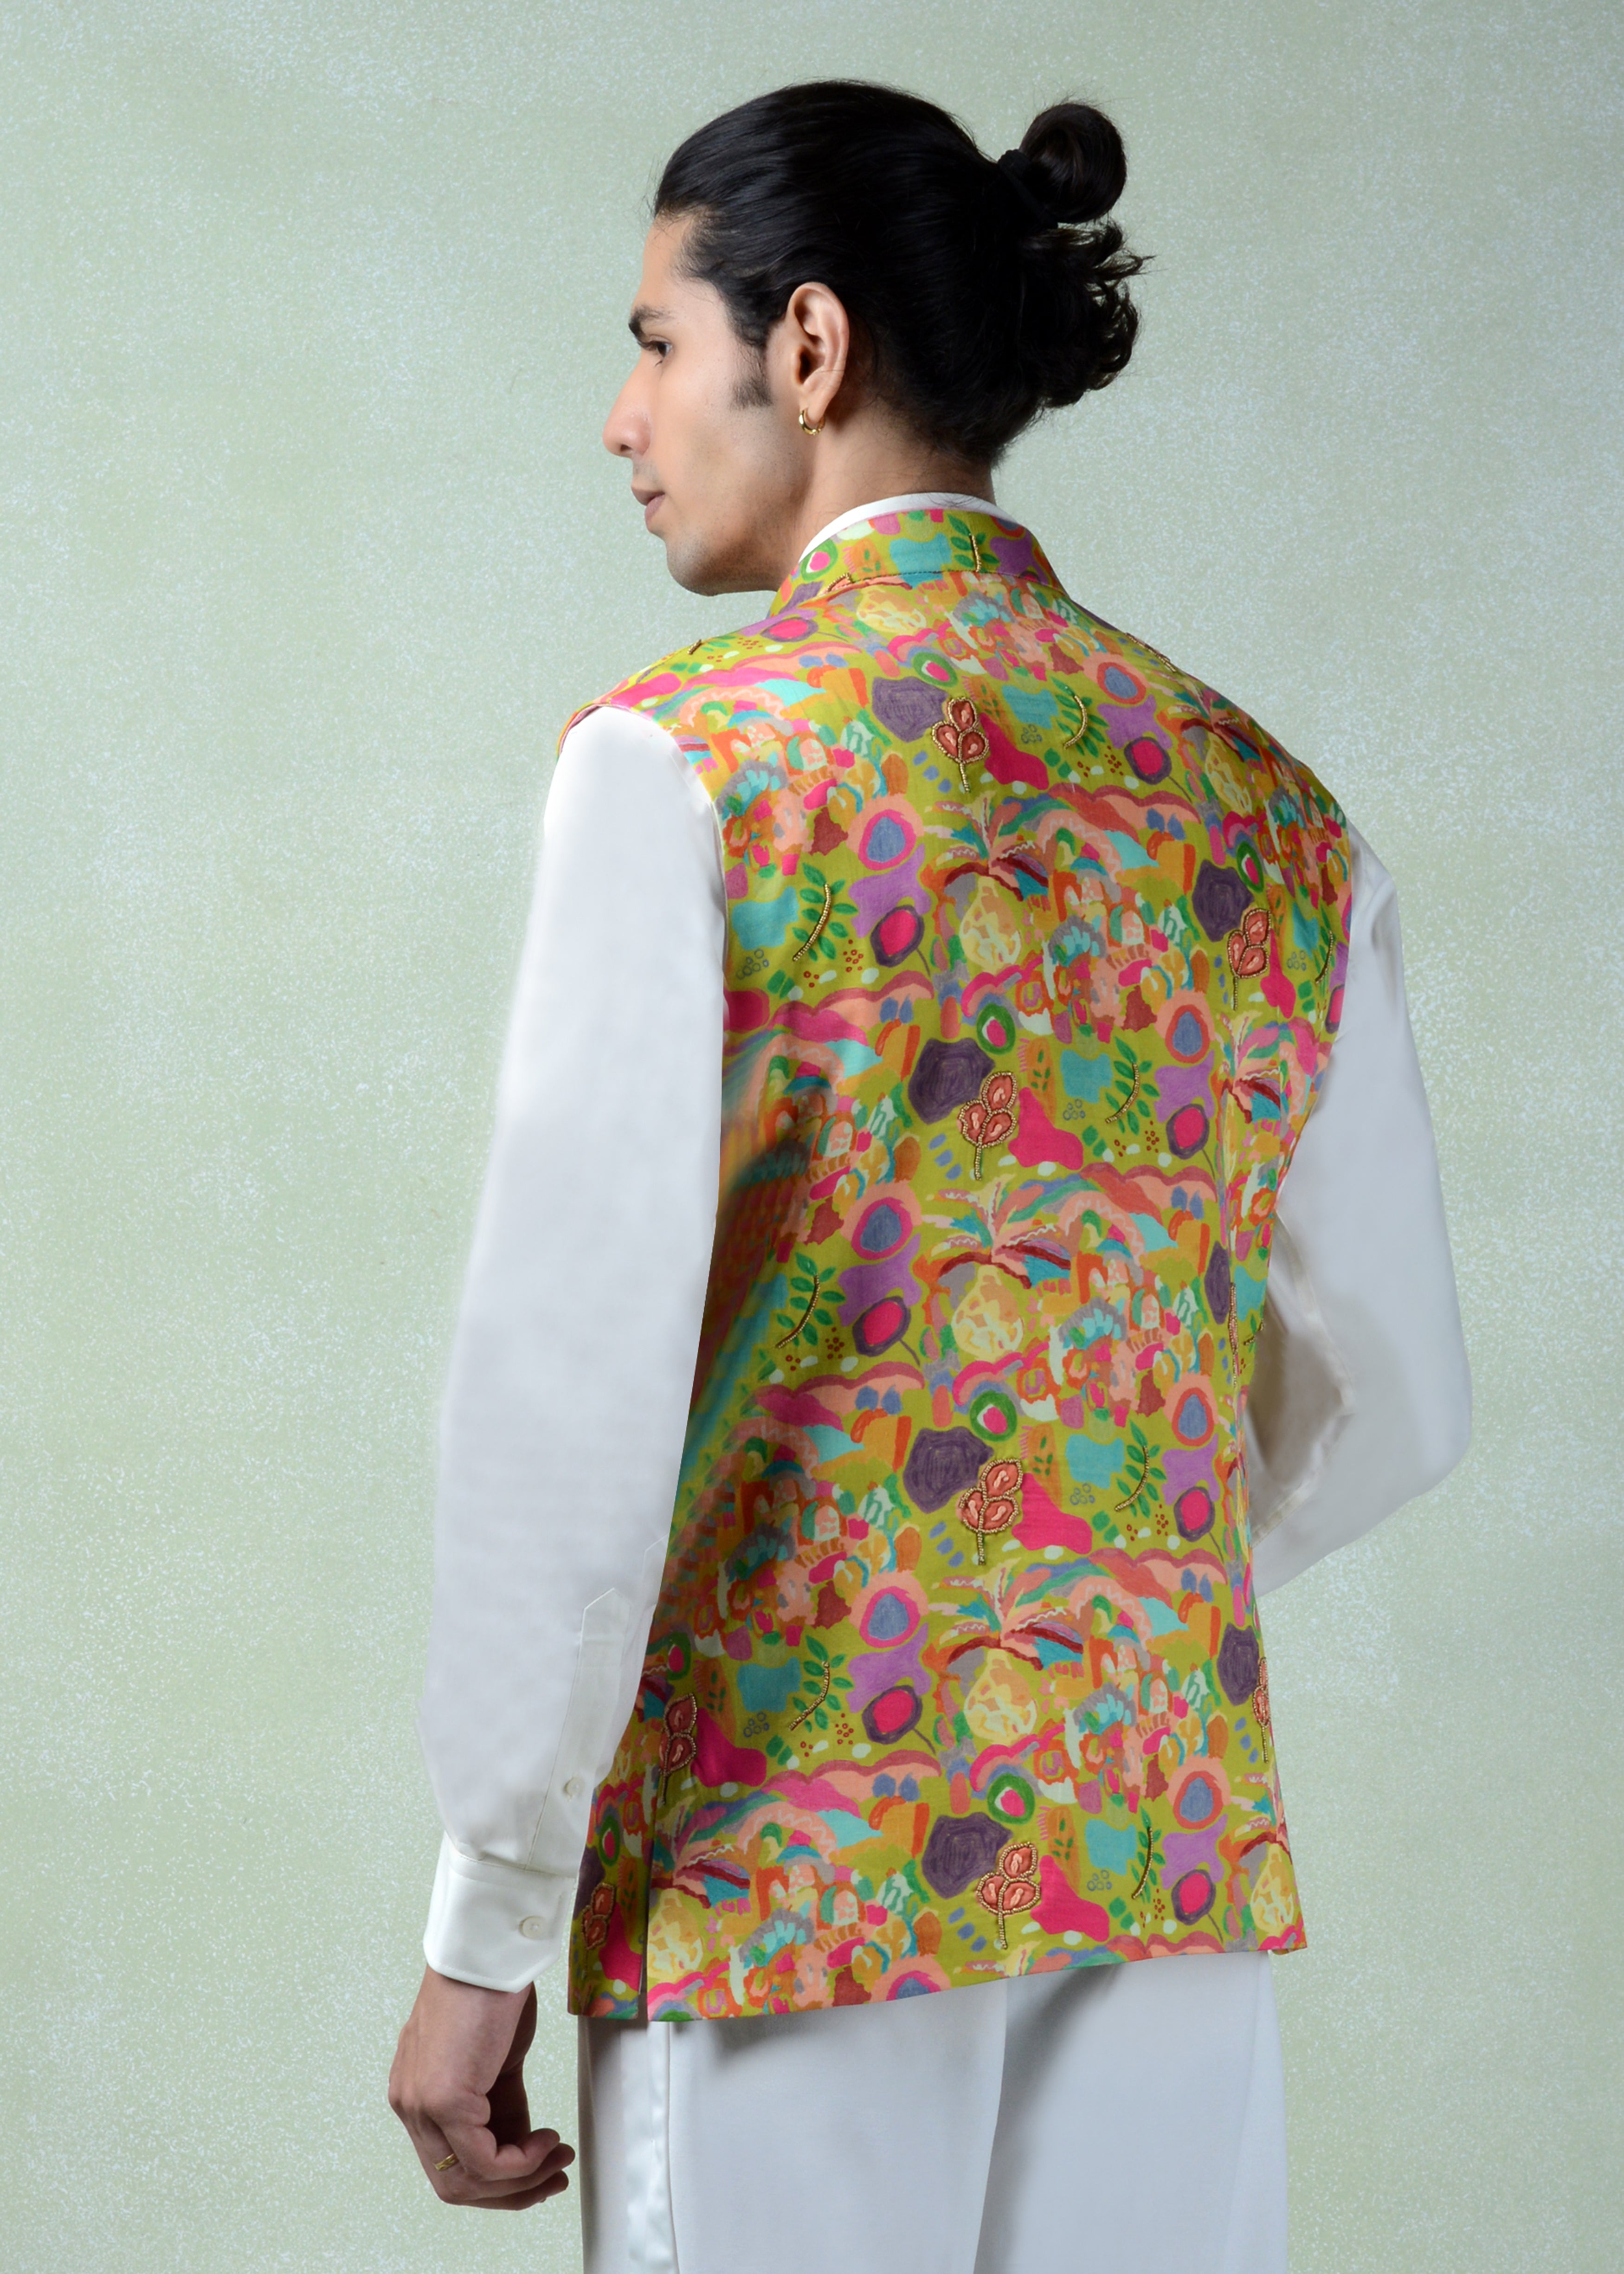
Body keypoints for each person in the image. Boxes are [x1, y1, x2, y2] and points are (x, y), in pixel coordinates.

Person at [387, 81, 1470, 2272]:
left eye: (653, 342)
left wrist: (488, 1906)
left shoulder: (685, 768)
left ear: (803, 346)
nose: (622, 417)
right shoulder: (1261, 811)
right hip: (1152, 1850)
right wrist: (1089, 1559)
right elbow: (1402, 1399)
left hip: (777, 1865)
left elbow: (564, 1403)